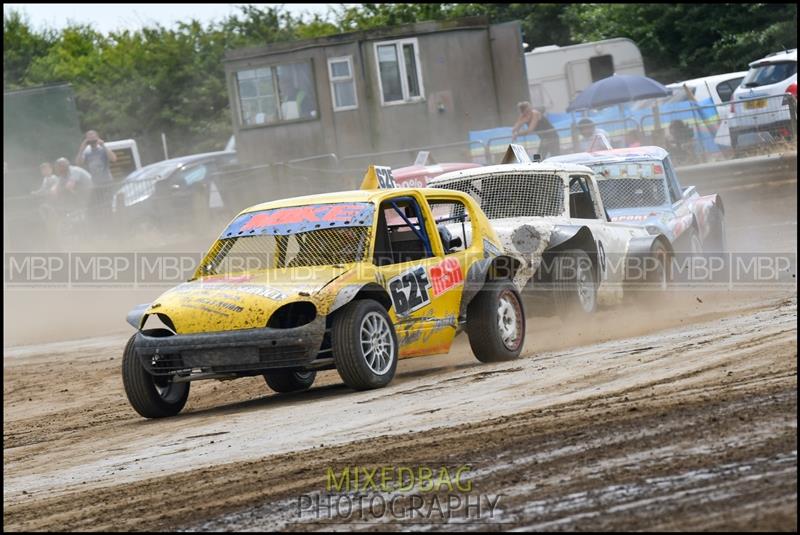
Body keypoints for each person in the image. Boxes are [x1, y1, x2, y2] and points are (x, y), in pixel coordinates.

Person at [76, 130, 117, 229]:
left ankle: (112, 227)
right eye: (89, 140)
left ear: (98, 138)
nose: (92, 142)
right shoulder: (87, 151)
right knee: (95, 207)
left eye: (93, 139)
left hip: (106, 182)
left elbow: (114, 159)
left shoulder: (102, 149)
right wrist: (81, 149)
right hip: (95, 184)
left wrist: (104, 145)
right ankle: (100, 227)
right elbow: (78, 163)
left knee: (107, 206)